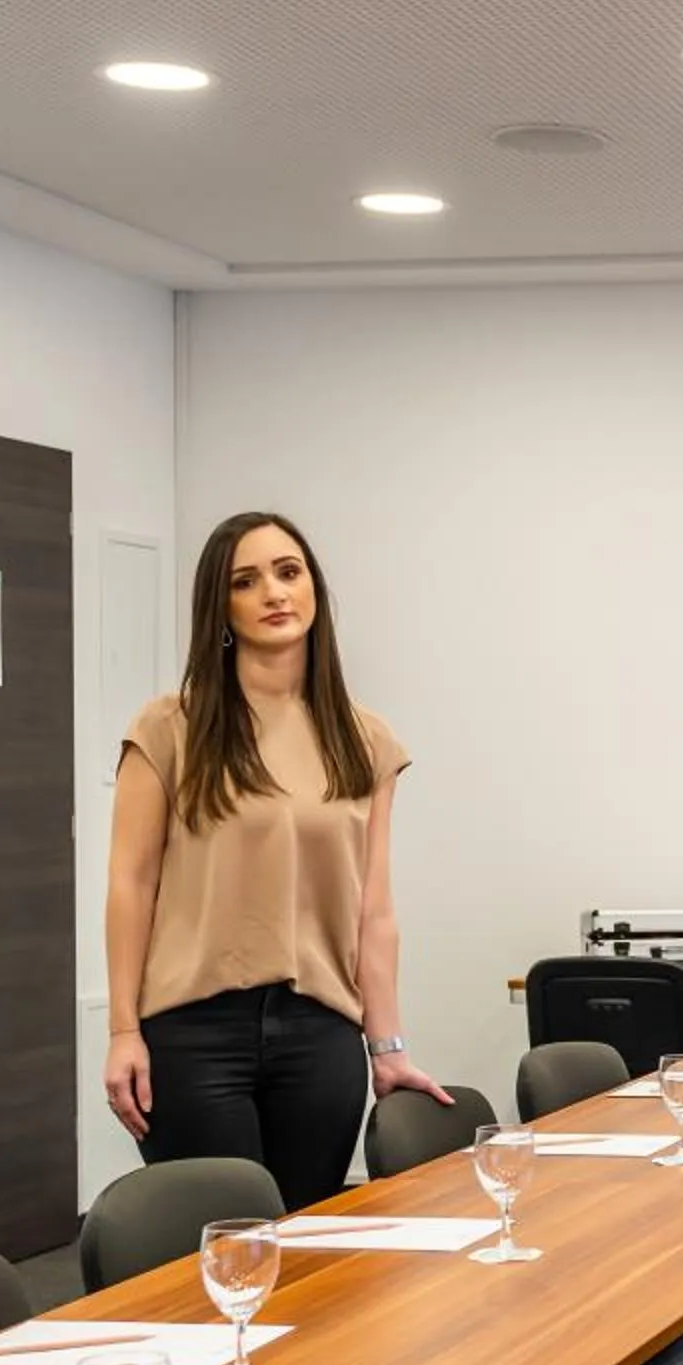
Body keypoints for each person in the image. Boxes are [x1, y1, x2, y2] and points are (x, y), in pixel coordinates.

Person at [102, 510, 446, 1205]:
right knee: (223, 1246)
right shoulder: (170, 728)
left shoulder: (363, 739)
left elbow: (373, 910)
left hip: (318, 1032)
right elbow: (130, 886)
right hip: (191, 1032)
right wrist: (121, 1030)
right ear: (221, 607)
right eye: (247, 581)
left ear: (313, 590)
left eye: (288, 573)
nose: (274, 593)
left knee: (304, 1254)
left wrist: (388, 1047)